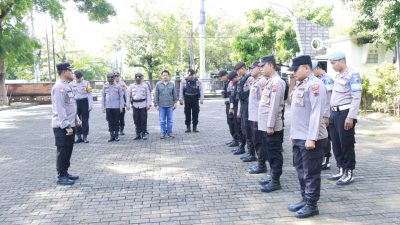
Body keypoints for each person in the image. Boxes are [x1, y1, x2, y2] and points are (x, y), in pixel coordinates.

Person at [287, 55, 328, 218]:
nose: (293, 73)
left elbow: (316, 113)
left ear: (306, 67)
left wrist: (311, 138)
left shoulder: (315, 85)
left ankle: (312, 205)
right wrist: (293, 134)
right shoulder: (301, 84)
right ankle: (305, 199)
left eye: (295, 70)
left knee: (311, 173)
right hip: (299, 136)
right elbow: (295, 110)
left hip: (312, 138)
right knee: (300, 170)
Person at [326, 52, 362, 185]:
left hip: (345, 114)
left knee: (346, 144)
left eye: (334, 63)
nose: (332, 66)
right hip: (334, 114)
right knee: (336, 144)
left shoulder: (353, 75)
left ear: (342, 61)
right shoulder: (338, 76)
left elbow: (356, 97)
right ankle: (341, 169)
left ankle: (349, 172)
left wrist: (351, 117)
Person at [256, 56, 286, 191]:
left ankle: (275, 181)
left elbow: (274, 106)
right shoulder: (270, 82)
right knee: (269, 153)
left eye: (262, 66)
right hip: (266, 125)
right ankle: (272, 176)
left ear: (271, 65)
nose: (260, 69)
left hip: (272, 126)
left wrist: (270, 125)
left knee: (274, 154)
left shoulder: (277, 82)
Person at [51, 62, 81, 185]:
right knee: (63, 151)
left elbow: (71, 104)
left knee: (68, 150)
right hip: (62, 126)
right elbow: (60, 108)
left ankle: (66, 172)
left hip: (70, 124)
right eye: (70, 70)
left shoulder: (66, 86)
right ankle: (61, 176)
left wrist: (76, 118)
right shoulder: (59, 87)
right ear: (64, 72)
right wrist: (66, 125)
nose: (72, 73)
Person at [312, 60, 334, 170]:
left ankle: (326, 160)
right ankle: (321, 158)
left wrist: (326, 115)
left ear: (318, 68)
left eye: (312, 70)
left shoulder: (327, 80)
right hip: (318, 112)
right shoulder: (317, 80)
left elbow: (328, 99)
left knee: (326, 137)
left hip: (325, 113)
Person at [234, 62, 256, 159]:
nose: (237, 72)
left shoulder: (250, 78)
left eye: (239, 70)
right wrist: (239, 110)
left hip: (248, 106)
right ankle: (249, 152)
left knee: (247, 129)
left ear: (243, 68)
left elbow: (252, 95)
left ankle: (252, 153)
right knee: (244, 128)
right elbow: (239, 96)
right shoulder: (241, 80)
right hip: (243, 106)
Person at [127, 73, 152, 140]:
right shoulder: (131, 86)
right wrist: (128, 104)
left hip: (143, 105)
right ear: (135, 79)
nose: (138, 80)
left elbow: (148, 95)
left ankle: (143, 133)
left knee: (143, 120)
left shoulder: (145, 86)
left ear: (141, 79)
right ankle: (137, 134)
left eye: (139, 79)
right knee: (136, 120)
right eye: (137, 79)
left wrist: (148, 104)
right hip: (135, 105)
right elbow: (128, 95)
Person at [154, 70, 178, 139]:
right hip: (161, 106)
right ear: (162, 76)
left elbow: (174, 94)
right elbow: (156, 95)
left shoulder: (171, 84)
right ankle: (163, 133)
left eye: (166, 75)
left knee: (170, 120)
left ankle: (170, 133)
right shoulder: (158, 84)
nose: (165, 76)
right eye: (164, 75)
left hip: (170, 105)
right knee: (162, 120)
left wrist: (175, 103)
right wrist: (156, 104)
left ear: (168, 76)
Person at [179, 68, 204, 133]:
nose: (190, 76)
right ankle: (188, 127)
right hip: (187, 98)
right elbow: (181, 90)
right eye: (189, 75)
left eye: (192, 75)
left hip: (195, 98)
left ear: (194, 75)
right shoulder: (184, 81)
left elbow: (201, 90)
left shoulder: (198, 81)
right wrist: (181, 99)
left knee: (195, 113)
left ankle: (195, 127)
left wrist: (201, 99)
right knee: (187, 113)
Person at [102, 73, 125, 142]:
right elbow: (103, 97)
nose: (110, 79)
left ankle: (116, 135)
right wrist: (103, 106)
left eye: (111, 78)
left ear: (114, 78)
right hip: (108, 107)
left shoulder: (118, 86)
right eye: (109, 78)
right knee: (110, 121)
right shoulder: (105, 86)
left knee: (116, 121)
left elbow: (121, 97)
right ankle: (111, 135)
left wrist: (121, 106)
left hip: (116, 107)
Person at [71, 70, 93, 143]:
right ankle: (79, 136)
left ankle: (85, 136)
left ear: (81, 77)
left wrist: (90, 105)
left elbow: (90, 95)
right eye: (77, 78)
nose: (78, 80)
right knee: (77, 120)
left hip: (84, 102)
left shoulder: (86, 83)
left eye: (79, 78)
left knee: (85, 120)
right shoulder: (71, 84)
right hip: (75, 102)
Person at [228, 70, 246, 154]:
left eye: (232, 79)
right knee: (236, 127)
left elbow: (239, 97)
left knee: (240, 128)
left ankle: (242, 147)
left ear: (236, 77)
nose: (231, 81)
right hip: (235, 107)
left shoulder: (240, 83)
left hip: (239, 108)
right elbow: (232, 96)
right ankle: (240, 145)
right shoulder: (234, 84)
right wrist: (231, 107)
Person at [219, 70, 237, 147]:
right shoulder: (227, 83)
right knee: (230, 123)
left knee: (233, 123)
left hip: (231, 105)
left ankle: (236, 140)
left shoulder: (231, 82)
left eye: (221, 77)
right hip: (228, 105)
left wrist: (231, 107)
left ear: (225, 75)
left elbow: (232, 95)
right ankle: (234, 138)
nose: (221, 79)